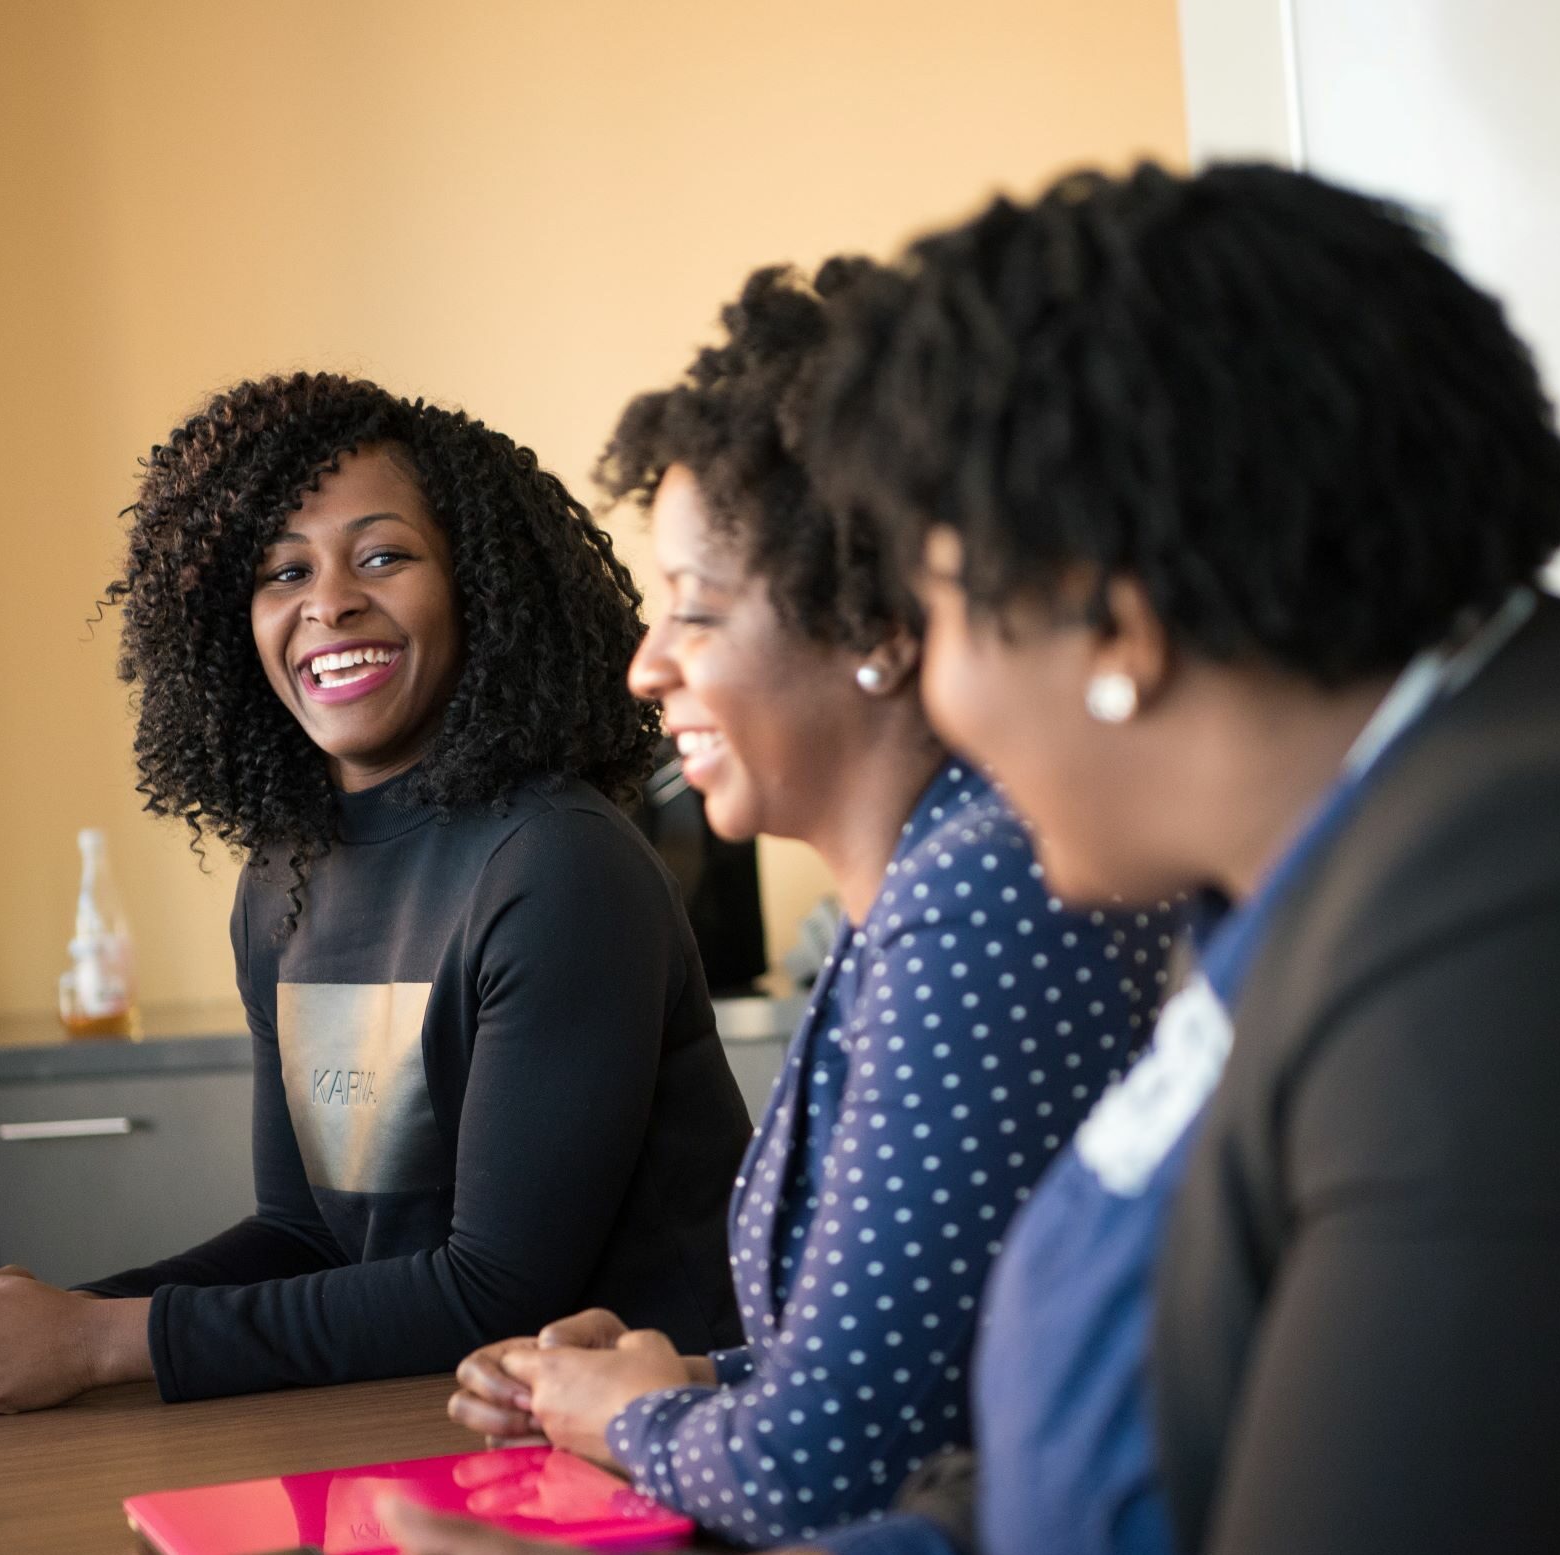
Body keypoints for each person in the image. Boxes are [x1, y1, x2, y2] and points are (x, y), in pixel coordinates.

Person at [799, 163, 1560, 1552]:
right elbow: (1160, 1407)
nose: (935, 695)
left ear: (1114, 623)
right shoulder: (1352, 840)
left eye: (936, 615)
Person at [439, 263, 1169, 1545]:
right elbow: (921, 1376)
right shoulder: (905, 896)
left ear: (875, 624)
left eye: (694, 611)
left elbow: (823, 1472)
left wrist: (630, 1420)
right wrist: (659, 1384)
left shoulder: (983, 895)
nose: (646, 663)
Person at [0, 373, 753, 1413]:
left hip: (644, 1453)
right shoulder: (283, 878)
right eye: (281, 571)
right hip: (418, 1415)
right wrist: (60, 1315)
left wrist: (99, 1339)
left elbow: (492, 1288)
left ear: (479, 589)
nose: (328, 601)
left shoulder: (557, 862)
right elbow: (306, 1235)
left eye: (383, 555)